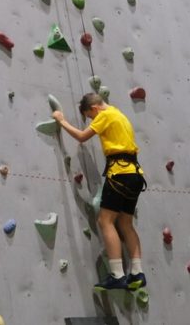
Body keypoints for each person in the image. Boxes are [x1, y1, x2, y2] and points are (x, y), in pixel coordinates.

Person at [53, 93, 146, 292]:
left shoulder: (104, 114)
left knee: (105, 221)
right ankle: (137, 272)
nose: (92, 120)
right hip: (135, 175)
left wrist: (62, 121)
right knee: (125, 223)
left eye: (90, 116)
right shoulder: (119, 114)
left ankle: (117, 275)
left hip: (119, 173)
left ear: (94, 109)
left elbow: (82, 137)